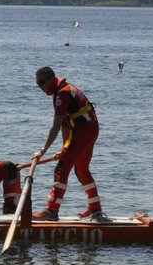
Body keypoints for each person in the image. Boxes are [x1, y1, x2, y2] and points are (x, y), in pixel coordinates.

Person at [33, 66, 105, 222]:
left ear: (51, 79)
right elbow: (67, 123)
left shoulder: (62, 94)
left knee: (61, 169)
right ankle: (95, 209)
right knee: (81, 169)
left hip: (83, 132)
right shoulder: (64, 89)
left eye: (42, 83)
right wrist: (65, 148)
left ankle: (51, 212)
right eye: (37, 84)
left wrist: (43, 150)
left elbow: (56, 125)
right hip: (89, 129)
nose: (40, 87)